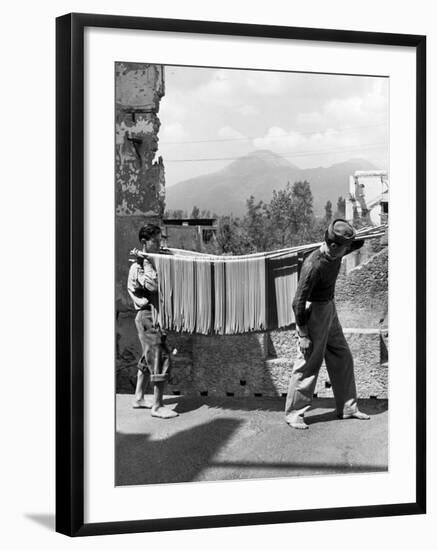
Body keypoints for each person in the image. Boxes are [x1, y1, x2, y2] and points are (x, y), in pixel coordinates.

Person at [285, 219, 370, 429]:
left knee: (342, 355)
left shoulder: (337, 250)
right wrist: (303, 334)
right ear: (333, 246)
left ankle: (348, 407)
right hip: (314, 313)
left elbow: (356, 243)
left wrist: (356, 234)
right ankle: (294, 413)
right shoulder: (313, 265)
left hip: (329, 309)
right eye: (345, 247)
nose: (348, 250)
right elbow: (297, 302)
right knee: (308, 364)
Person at [127, 223, 178, 419]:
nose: (159, 244)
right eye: (155, 241)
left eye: (160, 240)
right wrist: (147, 261)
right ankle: (157, 406)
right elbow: (153, 285)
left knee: (148, 356)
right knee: (160, 356)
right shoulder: (139, 266)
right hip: (147, 315)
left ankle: (139, 398)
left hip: (151, 315)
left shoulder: (149, 260)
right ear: (144, 242)